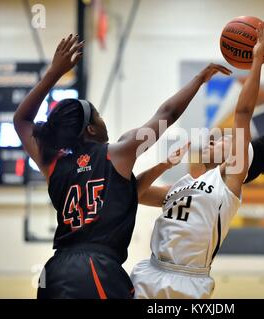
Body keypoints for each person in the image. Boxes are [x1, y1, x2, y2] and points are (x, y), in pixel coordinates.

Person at [13, 33, 231, 299]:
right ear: (91, 129)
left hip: (54, 272)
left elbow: (22, 120)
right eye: (99, 116)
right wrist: (200, 79)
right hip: (94, 267)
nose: (104, 120)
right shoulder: (117, 152)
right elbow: (167, 115)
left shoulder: (52, 164)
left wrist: (55, 72)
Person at [130, 24, 264, 298]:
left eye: (225, 138)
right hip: (149, 272)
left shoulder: (227, 186)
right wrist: (162, 166)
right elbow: (132, 193)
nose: (214, 136)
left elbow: (244, 112)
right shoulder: (183, 184)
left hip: (187, 283)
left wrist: (257, 60)